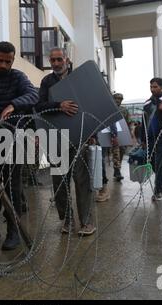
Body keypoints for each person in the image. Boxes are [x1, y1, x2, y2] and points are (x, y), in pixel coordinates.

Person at [0, 41, 39, 250]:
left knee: (13, 188)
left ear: (13, 59)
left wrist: (13, 104)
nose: (4, 65)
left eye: (8, 61)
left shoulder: (19, 78)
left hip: (13, 140)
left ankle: (13, 231)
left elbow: (33, 95)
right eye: (0, 60)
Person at [35, 47, 96, 236]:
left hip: (79, 136)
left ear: (66, 60)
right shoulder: (47, 81)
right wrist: (58, 106)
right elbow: (39, 106)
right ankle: (67, 220)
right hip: (56, 137)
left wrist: (92, 132)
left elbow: (90, 102)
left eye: (59, 59)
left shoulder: (78, 78)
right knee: (60, 182)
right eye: (52, 60)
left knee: (82, 181)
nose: (55, 64)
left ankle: (86, 222)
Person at [112, 93, 130, 182]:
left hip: (122, 133)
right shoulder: (109, 109)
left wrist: (129, 136)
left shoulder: (124, 110)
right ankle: (117, 170)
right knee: (116, 151)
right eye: (116, 98)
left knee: (122, 150)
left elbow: (127, 123)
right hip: (111, 133)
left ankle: (117, 168)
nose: (118, 100)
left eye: (120, 99)